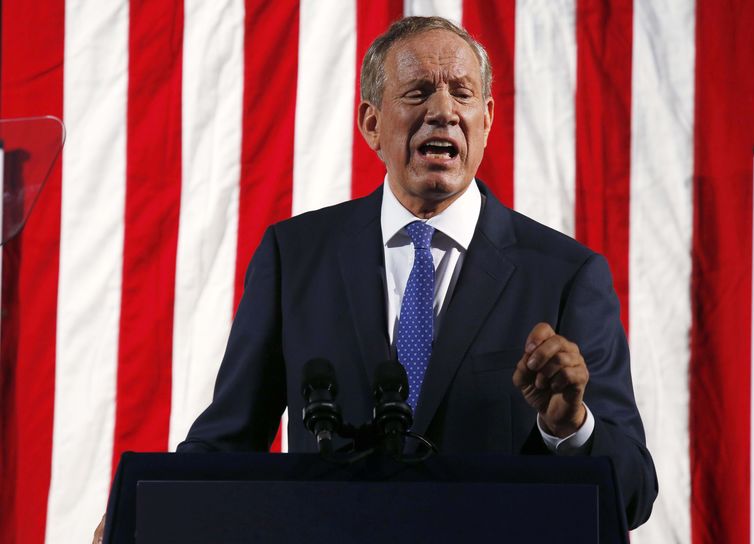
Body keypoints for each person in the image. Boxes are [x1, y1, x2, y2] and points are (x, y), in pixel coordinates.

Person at [93, 16, 656, 542]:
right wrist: (139, 513)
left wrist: (571, 426)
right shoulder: (295, 257)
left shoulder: (565, 275)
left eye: (462, 93)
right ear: (370, 123)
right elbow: (229, 438)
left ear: (485, 120)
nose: (443, 111)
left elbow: (631, 495)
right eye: (418, 93)